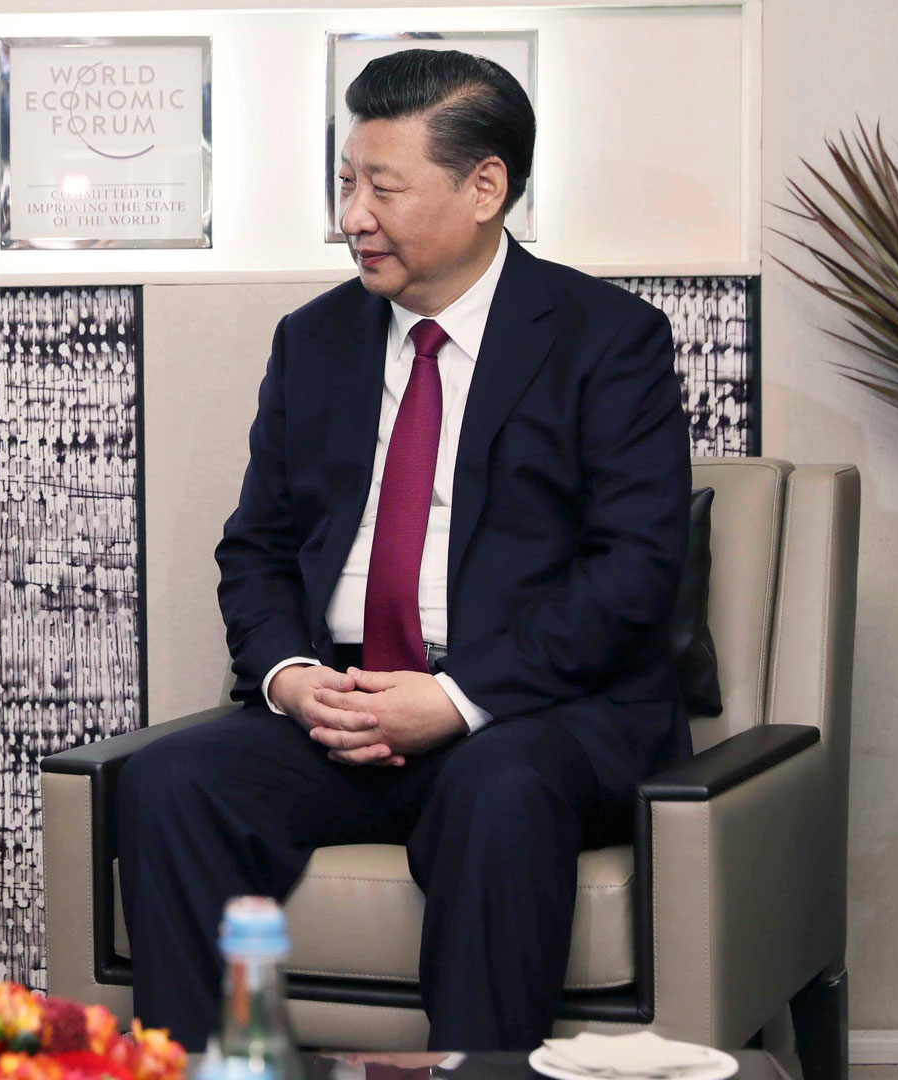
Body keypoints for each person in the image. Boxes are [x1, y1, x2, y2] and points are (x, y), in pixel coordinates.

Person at [117, 50, 692, 1051]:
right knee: (170, 781)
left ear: (485, 187)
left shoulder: (607, 339)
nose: (354, 216)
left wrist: (456, 699)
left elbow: (632, 572)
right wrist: (292, 679)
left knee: (499, 789)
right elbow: (256, 548)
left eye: (382, 188)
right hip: (341, 702)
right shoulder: (314, 340)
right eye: (347, 182)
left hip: (527, 712)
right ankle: (211, 1070)